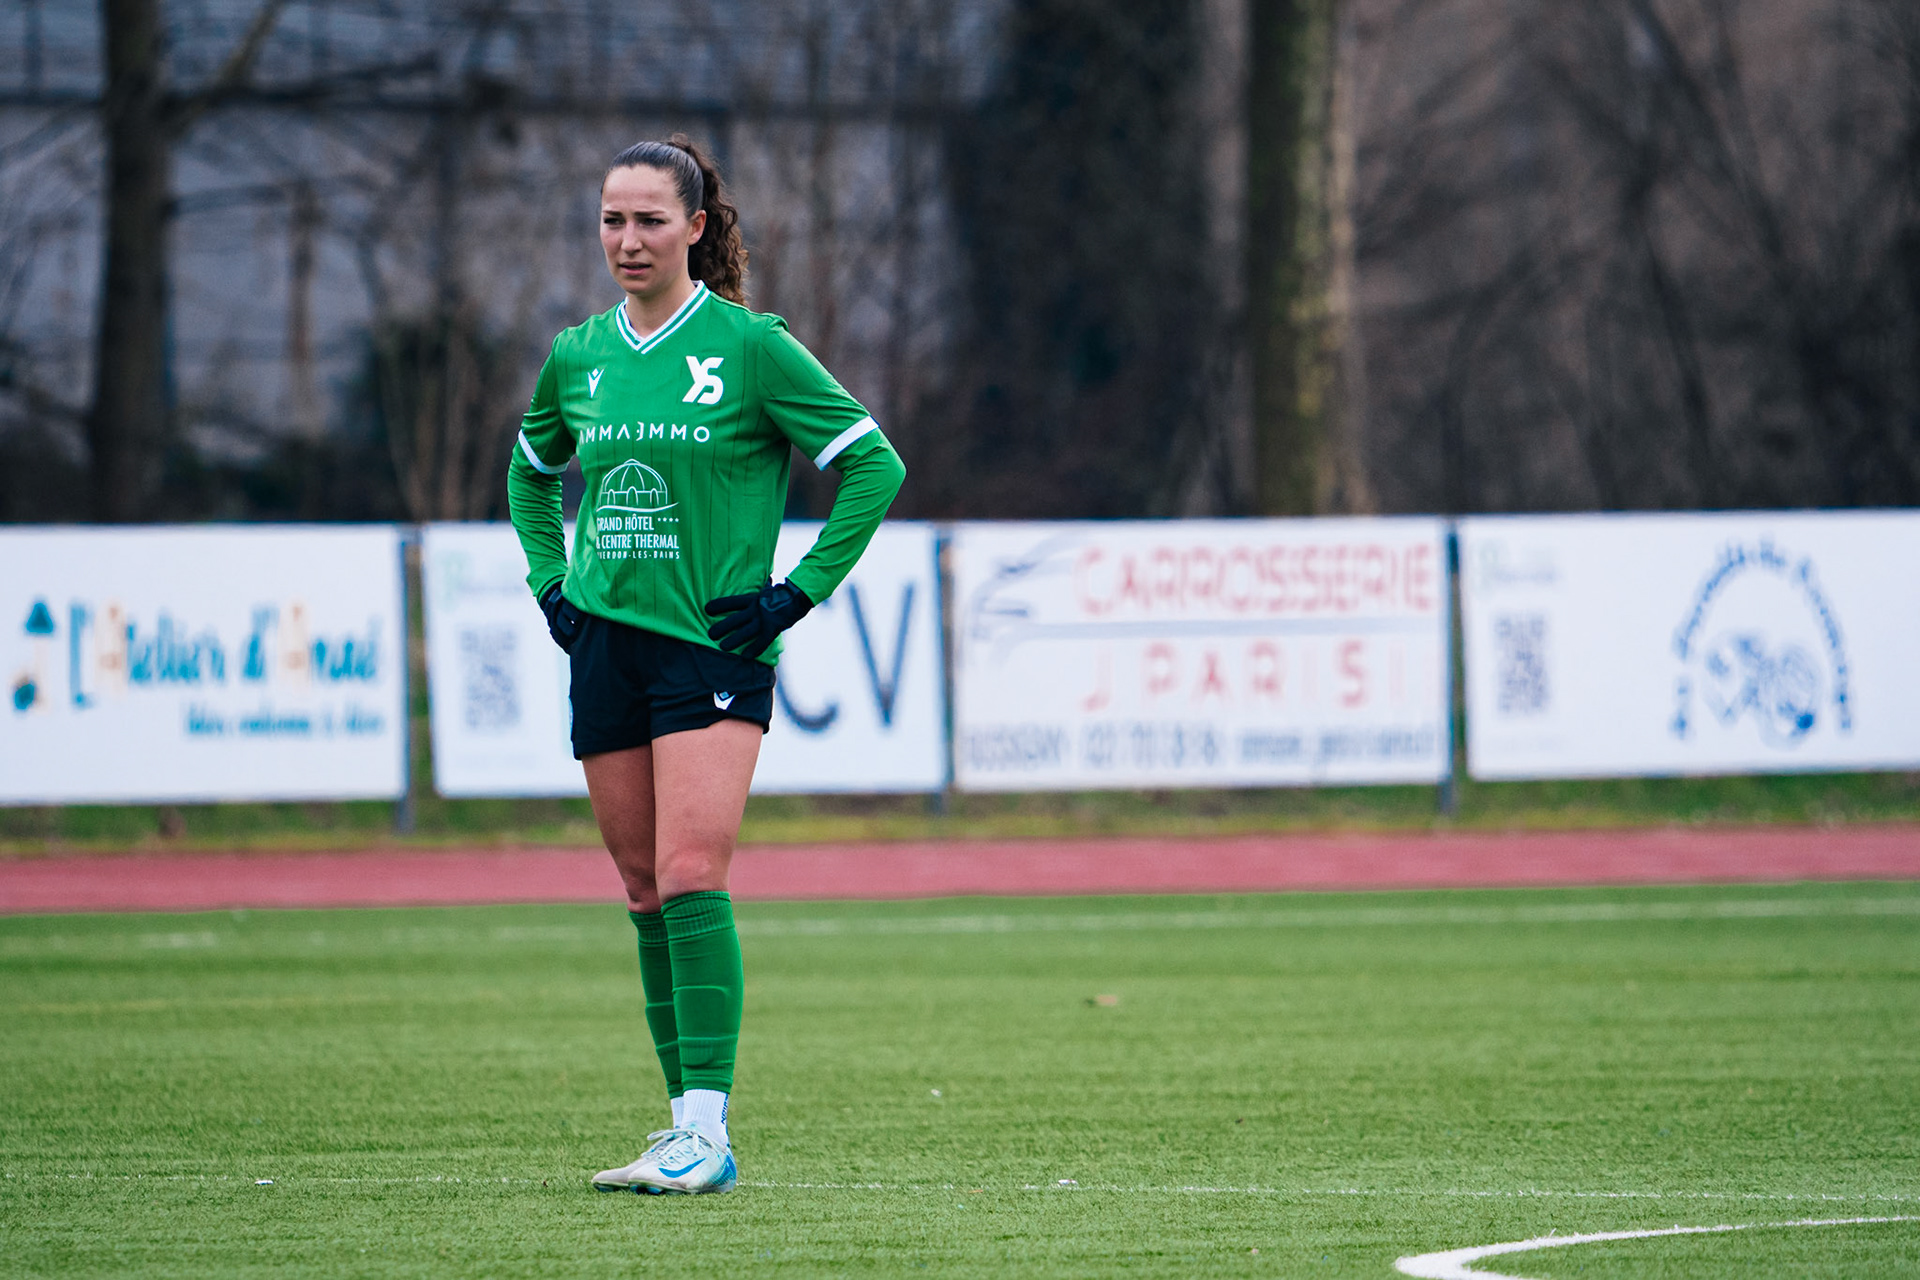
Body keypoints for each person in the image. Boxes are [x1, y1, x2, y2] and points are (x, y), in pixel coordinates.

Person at [506, 135, 906, 1196]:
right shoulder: (578, 355)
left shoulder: (750, 347)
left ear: (694, 226)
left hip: (711, 643)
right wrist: (551, 582)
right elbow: (530, 473)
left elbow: (873, 464)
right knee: (644, 888)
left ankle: (707, 1131)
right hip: (605, 642)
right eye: (612, 219)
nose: (627, 239)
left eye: (649, 219)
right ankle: (679, 1130)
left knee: (689, 873)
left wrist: (795, 593)